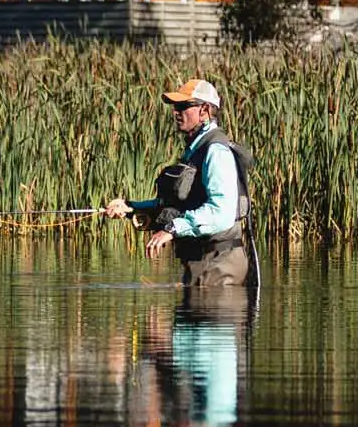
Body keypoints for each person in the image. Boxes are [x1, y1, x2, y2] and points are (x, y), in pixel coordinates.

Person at [106, 77, 254, 293]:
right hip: (203, 264)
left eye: (183, 106)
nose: (176, 112)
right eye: (175, 106)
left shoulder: (216, 152)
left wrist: (173, 229)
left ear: (204, 110)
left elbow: (220, 213)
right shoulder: (195, 150)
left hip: (219, 265)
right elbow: (180, 204)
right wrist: (131, 208)